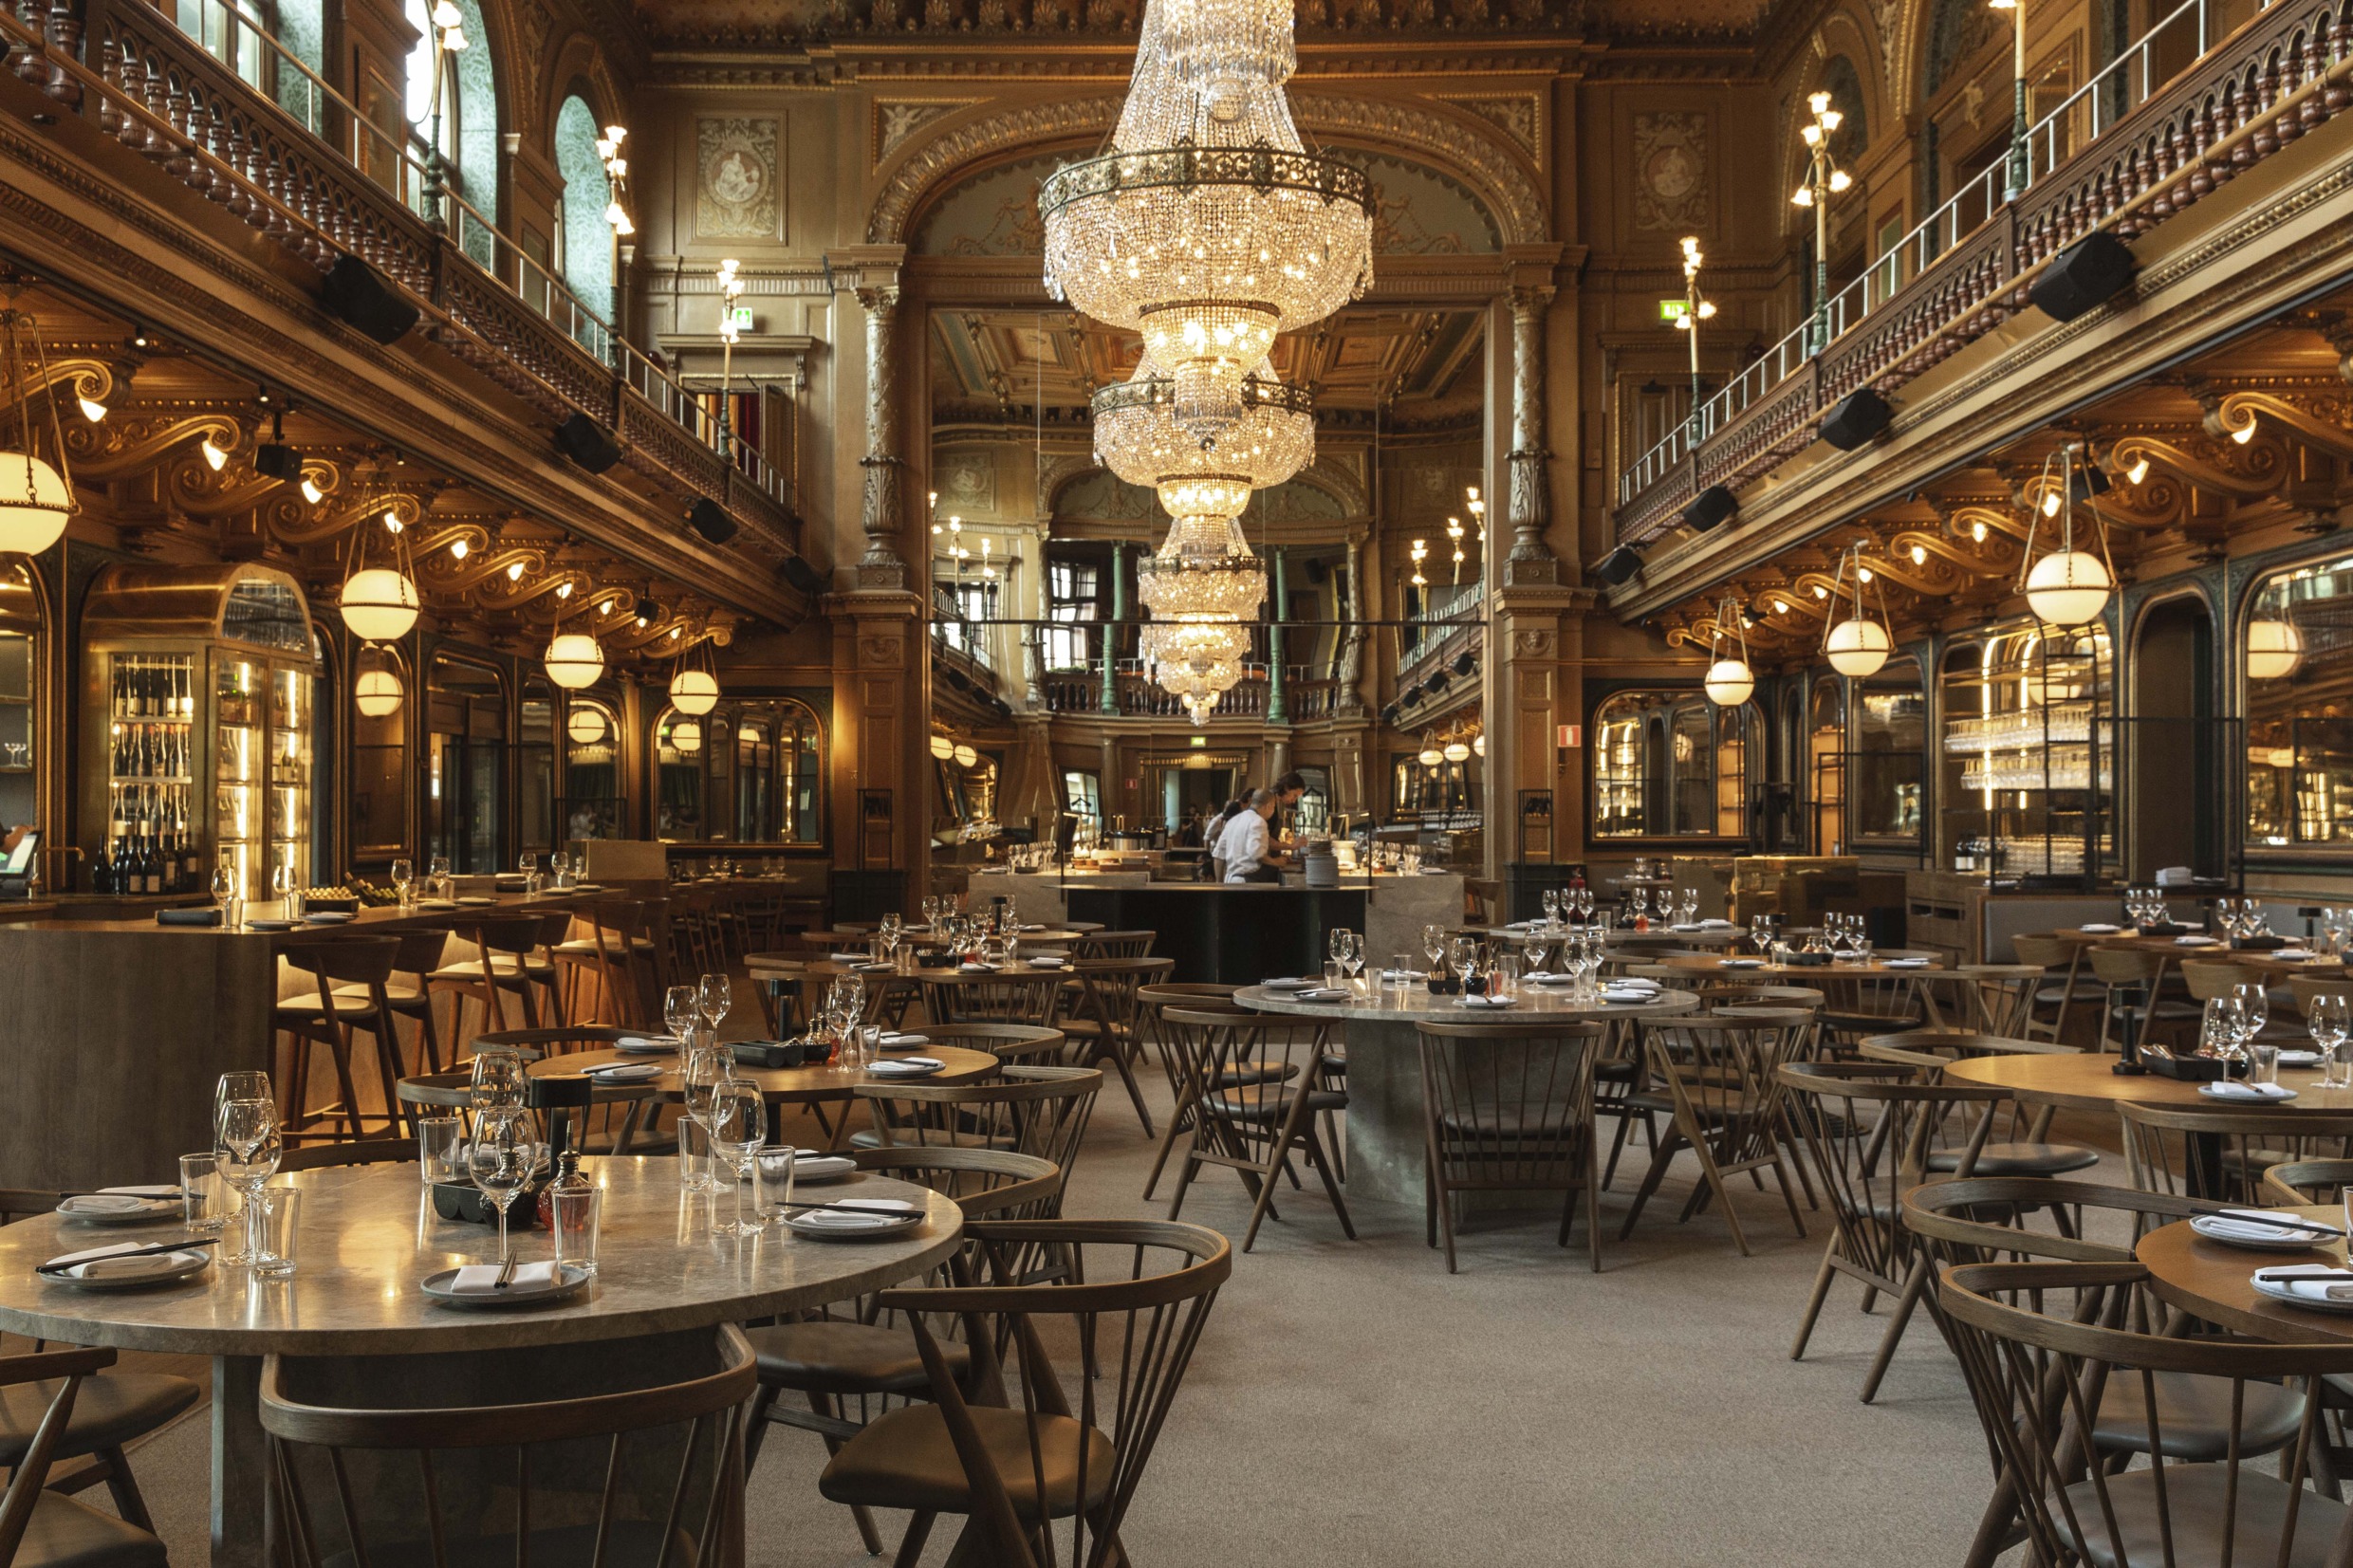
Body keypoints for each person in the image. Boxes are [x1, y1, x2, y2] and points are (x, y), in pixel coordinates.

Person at [1214, 789, 1283, 884]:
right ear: (1268, 806)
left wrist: (1219, 882)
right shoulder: (1258, 821)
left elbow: (1219, 854)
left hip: (1229, 880)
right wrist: (1276, 862)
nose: (1273, 811)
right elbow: (1257, 854)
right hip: (1246, 881)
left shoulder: (1233, 820)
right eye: (1274, 807)